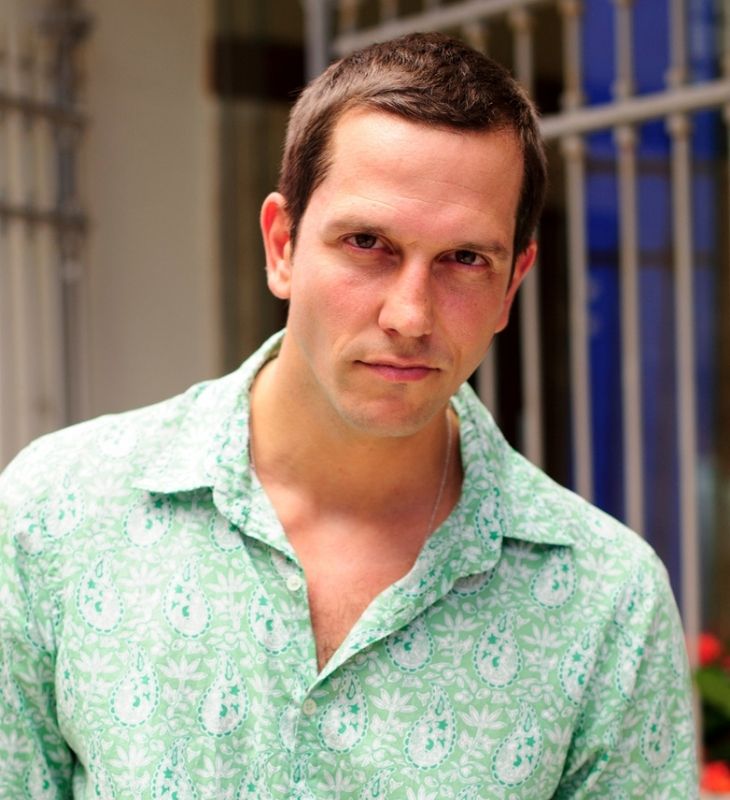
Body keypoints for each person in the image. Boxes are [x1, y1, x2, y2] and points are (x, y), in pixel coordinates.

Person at [0, 32, 697, 799]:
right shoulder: (59, 515)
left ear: (512, 285)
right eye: (368, 243)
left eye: (465, 259)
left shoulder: (605, 602)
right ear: (282, 245)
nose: (410, 315)